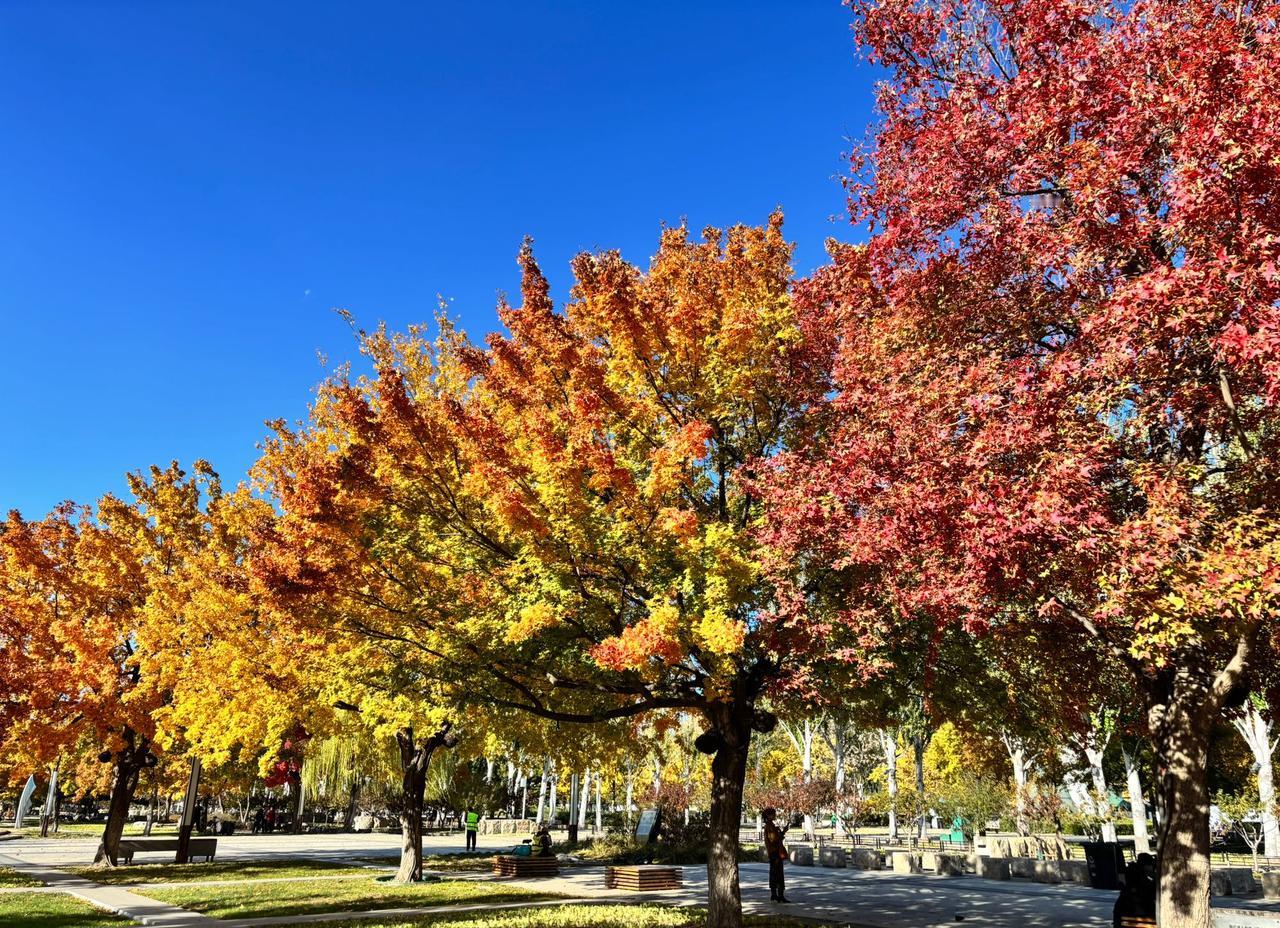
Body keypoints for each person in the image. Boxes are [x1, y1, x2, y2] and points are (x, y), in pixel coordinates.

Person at [762, 807, 790, 903]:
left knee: (774, 873)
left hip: (774, 852)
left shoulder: (770, 825)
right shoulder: (769, 826)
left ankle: (774, 894)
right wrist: (782, 834)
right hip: (775, 853)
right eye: (773, 814)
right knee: (778, 874)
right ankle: (779, 895)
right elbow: (774, 840)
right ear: (769, 815)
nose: (775, 815)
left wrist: (782, 832)